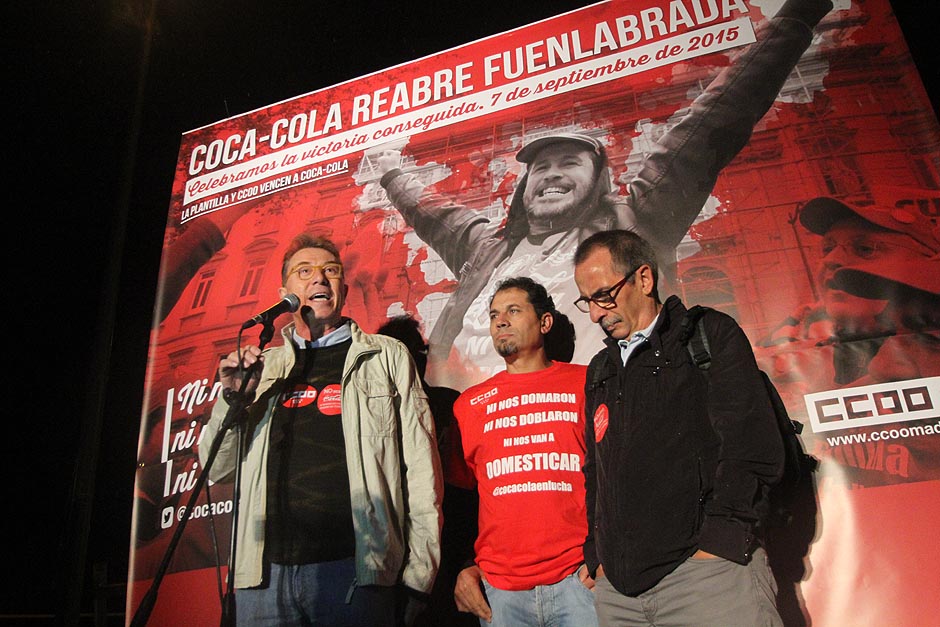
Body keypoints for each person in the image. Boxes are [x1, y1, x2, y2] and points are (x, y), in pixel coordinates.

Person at [376, 0, 832, 384]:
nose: (551, 175)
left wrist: (796, 17)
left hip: (599, 425)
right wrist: (388, 170)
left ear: (597, 181)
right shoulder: (488, 247)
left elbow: (713, 122)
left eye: (569, 163)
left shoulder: (634, 219)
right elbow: (429, 210)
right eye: (541, 167)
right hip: (486, 434)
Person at [199, 233, 443, 627]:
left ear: (344, 288)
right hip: (263, 580)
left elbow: (422, 470)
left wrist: (419, 574)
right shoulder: (263, 367)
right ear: (285, 292)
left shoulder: (385, 357)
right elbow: (217, 470)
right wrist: (233, 400)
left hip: (356, 574)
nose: (319, 279)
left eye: (331, 271)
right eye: (305, 271)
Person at [572, 230, 784, 627]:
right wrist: (597, 555)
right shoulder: (601, 370)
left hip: (707, 581)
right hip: (619, 596)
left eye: (603, 295)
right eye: (587, 301)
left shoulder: (709, 336)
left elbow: (751, 446)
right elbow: (595, 474)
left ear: (644, 279)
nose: (595, 314)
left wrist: (720, 544)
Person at [451, 277, 597, 627]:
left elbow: (618, 475)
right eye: (494, 314)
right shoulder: (469, 405)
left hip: (579, 582)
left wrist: (606, 557)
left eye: (513, 311)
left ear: (544, 322)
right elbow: (460, 500)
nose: (500, 320)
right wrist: (463, 569)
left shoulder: (588, 383)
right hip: (500, 593)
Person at [376, 315, 479, 627]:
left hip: (447, 547)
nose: (415, 363)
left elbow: (464, 487)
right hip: (391, 551)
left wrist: (467, 561)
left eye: (418, 355)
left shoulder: (449, 404)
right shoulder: (369, 411)